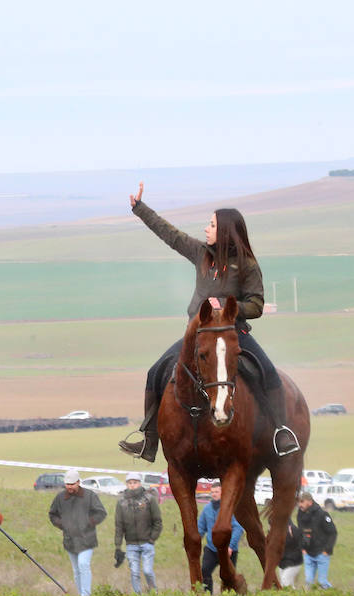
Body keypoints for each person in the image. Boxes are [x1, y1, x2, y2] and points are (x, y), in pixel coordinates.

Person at [120, 182, 300, 462]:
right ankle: (150, 440)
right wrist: (140, 208)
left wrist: (228, 307)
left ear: (225, 230)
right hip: (198, 335)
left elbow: (256, 305)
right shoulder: (200, 253)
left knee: (268, 373)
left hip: (232, 333)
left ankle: (280, 431)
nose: (206, 229)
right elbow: (170, 234)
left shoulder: (248, 265)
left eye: (212, 225)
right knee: (155, 371)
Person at [48, 468, 108, 596]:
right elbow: (52, 514)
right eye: (67, 484)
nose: (69, 486)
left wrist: (89, 523)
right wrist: (62, 524)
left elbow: (101, 513)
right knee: (76, 570)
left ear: (78, 482)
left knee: (83, 565)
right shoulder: (60, 498)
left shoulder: (90, 496)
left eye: (72, 484)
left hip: (87, 539)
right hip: (70, 540)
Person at [113, 472, 161, 594]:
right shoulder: (121, 502)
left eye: (135, 482)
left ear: (140, 483)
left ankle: (154, 593)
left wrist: (152, 539)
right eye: (130, 483)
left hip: (147, 543)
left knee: (147, 571)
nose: (132, 485)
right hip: (131, 545)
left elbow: (157, 521)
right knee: (134, 572)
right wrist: (118, 546)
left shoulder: (149, 499)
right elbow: (119, 526)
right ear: (126, 484)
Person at [197, 482, 245, 594]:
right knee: (205, 570)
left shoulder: (229, 508)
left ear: (222, 493)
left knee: (228, 577)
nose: (214, 494)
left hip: (228, 550)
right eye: (212, 492)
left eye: (216, 492)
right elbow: (201, 528)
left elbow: (238, 528)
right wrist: (195, 542)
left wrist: (231, 546)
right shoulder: (207, 509)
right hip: (211, 548)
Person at [297, 491, 338, 589]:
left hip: (322, 553)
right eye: (298, 502)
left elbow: (333, 532)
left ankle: (333, 593)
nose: (300, 504)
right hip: (308, 553)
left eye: (302, 502)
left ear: (309, 502)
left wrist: (327, 550)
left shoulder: (322, 514)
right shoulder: (300, 515)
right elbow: (300, 532)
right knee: (308, 582)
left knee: (322, 582)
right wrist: (302, 548)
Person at [277, 518, 304, 588]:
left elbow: (302, 545)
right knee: (287, 585)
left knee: (285, 582)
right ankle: (295, 594)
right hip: (282, 563)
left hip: (294, 563)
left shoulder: (293, 530)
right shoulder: (277, 532)